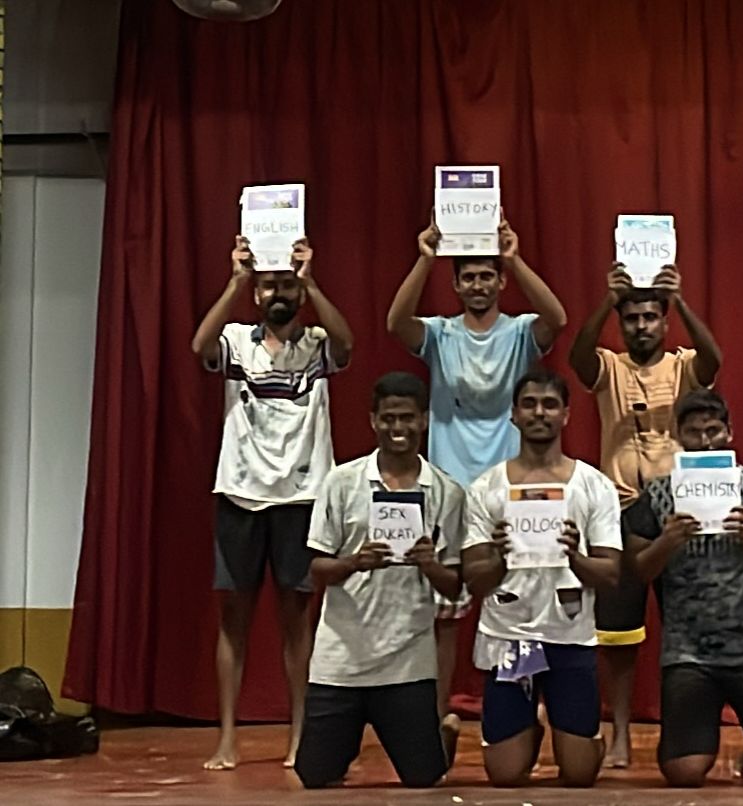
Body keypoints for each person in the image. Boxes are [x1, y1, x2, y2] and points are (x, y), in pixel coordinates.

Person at [387, 214, 567, 727]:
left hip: (511, 485)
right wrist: (425, 258)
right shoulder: (441, 334)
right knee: (444, 613)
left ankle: (524, 704)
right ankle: (435, 712)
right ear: (456, 284)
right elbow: (396, 324)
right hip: (449, 485)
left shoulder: (520, 331)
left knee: (520, 598)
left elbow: (557, 318)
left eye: (488, 276)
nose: (478, 285)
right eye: (468, 277)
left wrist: (515, 257)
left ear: (501, 282)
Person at [190, 235, 354, 771]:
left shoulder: (318, 343)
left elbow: (347, 345)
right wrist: (235, 280)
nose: (278, 293)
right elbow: (199, 347)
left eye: (286, 285)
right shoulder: (237, 340)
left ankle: (299, 734)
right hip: (240, 494)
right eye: (268, 286)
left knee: (295, 619)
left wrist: (311, 281)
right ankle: (227, 737)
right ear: (256, 293)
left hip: (301, 497)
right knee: (234, 618)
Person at [567, 263, 722, 767]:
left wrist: (682, 302)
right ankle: (619, 732)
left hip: (678, 510)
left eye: (650, 317)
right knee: (618, 635)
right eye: (632, 318)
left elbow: (714, 362)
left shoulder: (682, 364)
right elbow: (577, 358)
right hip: (620, 508)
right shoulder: (609, 366)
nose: (641, 326)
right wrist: (607, 302)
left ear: (664, 322)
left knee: (684, 624)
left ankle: (684, 731)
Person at [624, 389, 743, 787]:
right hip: (689, 654)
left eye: (713, 431)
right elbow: (637, 570)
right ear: (679, 436)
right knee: (684, 773)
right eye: (694, 432)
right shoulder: (656, 494)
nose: (705, 441)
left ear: (729, 432)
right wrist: (666, 542)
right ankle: (689, 741)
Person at [294, 372, 465, 789]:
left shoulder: (447, 492)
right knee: (314, 776)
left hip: (407, 661)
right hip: (342, 659)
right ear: (373, 420)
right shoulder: (341, 482)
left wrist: (430, 564)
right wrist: (355, 562)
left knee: (424, 777)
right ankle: (344, 741)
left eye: (407, 418)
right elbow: (317, 568)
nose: (398, 427)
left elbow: (454, 586)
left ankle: (441, 735)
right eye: (388, 418)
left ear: (424, 420)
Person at [461, 368, 621, 788]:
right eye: (529, 404)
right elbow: (474, 580)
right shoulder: (486, 488)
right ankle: (526, 729)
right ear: (513, 414)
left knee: (580, 775)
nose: (539, 413)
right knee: (505, 777)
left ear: (566, 415)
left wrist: (575, 556)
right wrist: (499, 558)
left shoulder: (594, 486)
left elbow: (610, 574)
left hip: (570, 637)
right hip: (510, 637)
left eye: (550, 405)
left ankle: (579, 737)